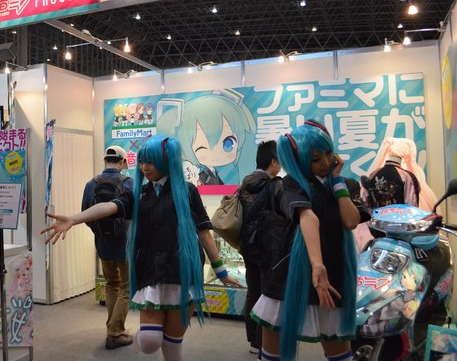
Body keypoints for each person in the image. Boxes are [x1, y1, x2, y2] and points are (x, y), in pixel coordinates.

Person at [42, 135, 243, 360]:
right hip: (151, 272)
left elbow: (204, 232)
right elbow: (109, 207)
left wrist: (220, 271)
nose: (144, 167)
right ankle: (143, 338)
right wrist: (74, 219)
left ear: (166, 161)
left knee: (173, 342)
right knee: (149, 341)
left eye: (150, 161)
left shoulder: (187, 191)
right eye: (141, 161)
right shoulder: (139, 193)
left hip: (182, 272)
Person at [251, 120, 361, 361]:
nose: (326, 163)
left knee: (339, 350)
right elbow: (308, 217)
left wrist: (338, 182)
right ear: (300, 160)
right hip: (292, 271)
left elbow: (351, 221)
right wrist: (317, 265)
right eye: (315, 159)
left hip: (334, 272)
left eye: (328, 153)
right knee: (274, 348)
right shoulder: (291, 184)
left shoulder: (347, 185)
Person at [82, 145, 134, 349]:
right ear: (123, 162)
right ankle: (115, 332)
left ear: (105, 161)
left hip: (103, 244)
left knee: (111, 284)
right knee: (127, 287)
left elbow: (86, 214)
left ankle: (113, 328)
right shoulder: (129, 183)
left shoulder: (91, 184)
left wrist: (100, 232)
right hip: (126, 244)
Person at [237, 140, 282, 356]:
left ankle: (254, 341)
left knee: (253, 290)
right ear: (273, 161)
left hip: (247, 244)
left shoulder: (245, 183)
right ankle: (265, 343)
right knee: (267, 294)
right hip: (268, 245)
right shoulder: (274, 184)